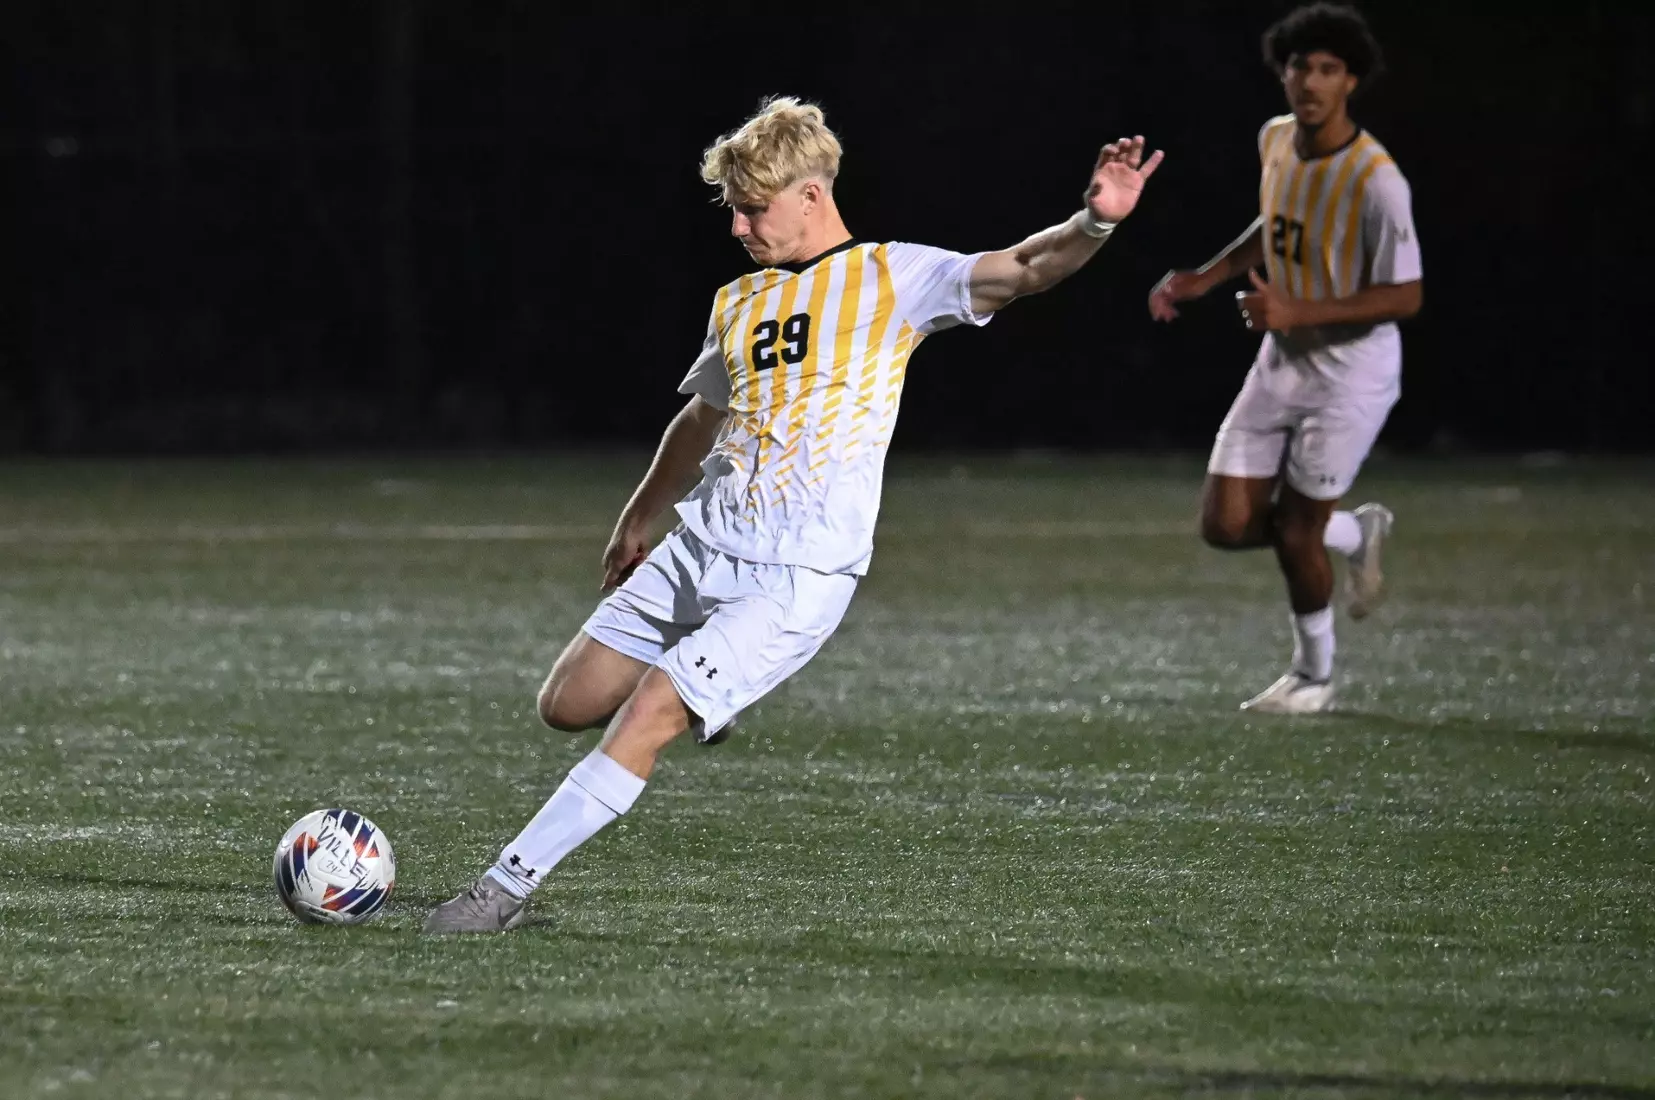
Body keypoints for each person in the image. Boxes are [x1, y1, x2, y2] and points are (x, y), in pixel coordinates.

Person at [424, 97, 1164, 933]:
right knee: (565, 703)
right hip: (701, 541)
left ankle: (499, 891)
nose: (739, 226)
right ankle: (719, 684)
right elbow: (700, 416)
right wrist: (637, 517)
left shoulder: (895, 276)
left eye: (754, 208)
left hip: (795, 571)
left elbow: (1024, 267)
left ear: (812, 194)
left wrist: (1092, 224)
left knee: (648, 714)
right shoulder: (738, 301)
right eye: (733, 209)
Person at [1147, 2, 1422, 715]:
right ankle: (1353, 531)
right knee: (1225, 525)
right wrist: (1205, 277)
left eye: (1328, 69)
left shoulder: (1376, 180)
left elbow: (1405, 294)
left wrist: (1297, 312)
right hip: (1281, 359)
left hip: (1349, 374)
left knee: (1294, 531)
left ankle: (1315, 676)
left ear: (1349, 83)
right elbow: (1276, 225)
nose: (1310, 81)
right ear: (1283, 72)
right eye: (1300, 65)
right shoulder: (1274, 138)